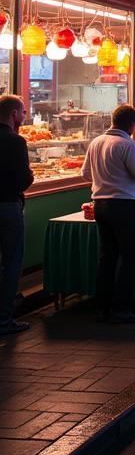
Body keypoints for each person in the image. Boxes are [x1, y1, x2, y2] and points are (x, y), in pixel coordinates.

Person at [81, 104, 135, 323]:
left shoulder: (96, 142)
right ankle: (121, 309)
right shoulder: (127, 144)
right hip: (123, 205)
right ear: (131, 124)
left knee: (107, 256)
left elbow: (85, 174)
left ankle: (102, 307)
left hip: (100, 205)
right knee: (128, 257)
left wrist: (104, 182)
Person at [0, 95, 33, 334]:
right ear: (14, 114)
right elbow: (23, 180)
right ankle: (3, 319)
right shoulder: (15, 141)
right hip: (8, 206)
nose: (24, 117)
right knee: (11, 263)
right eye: (23, 112)